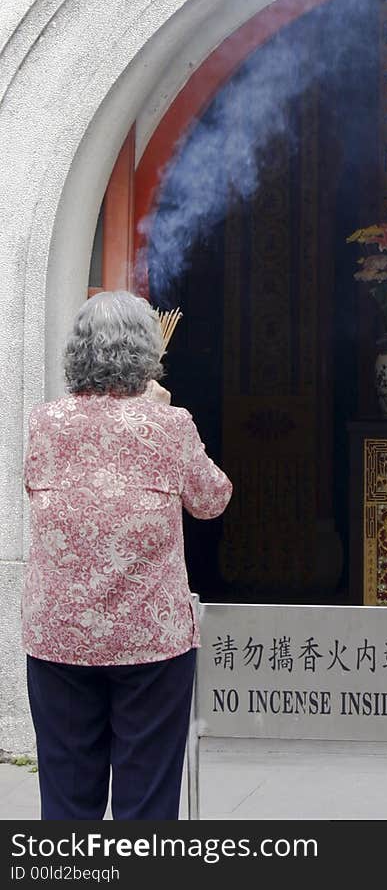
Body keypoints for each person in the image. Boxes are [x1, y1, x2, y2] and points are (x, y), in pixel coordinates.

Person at [22, 290, 232, 821]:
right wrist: (159, 413)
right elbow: (212, 500)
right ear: (147, 354)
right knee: (146, 798)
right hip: (149, 637)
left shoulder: (43, 423)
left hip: (59, 633)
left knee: (67, 796)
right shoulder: (168, 424)